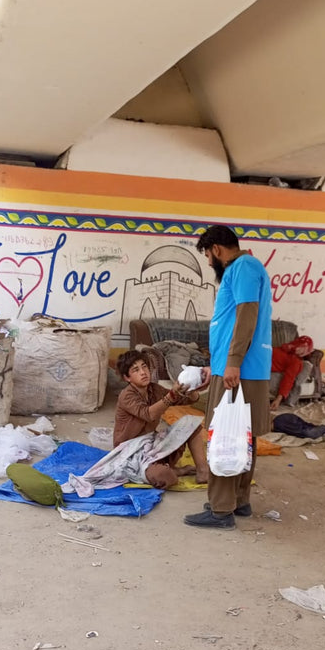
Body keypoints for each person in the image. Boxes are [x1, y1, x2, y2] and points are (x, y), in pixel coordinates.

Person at [184, 225, 272, 530]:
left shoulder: (243, 267)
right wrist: (219, 363)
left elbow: (247, 315)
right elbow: (234, 320)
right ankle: (239, 500)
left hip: (240, 369)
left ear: (217, 249)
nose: (210, 262)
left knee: (224, 434)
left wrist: (232, 363)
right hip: (240, 366)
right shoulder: (246, 268)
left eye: (208, 256)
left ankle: (221, 510)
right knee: (242, 432)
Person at [113, 350, 209, 488]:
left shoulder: (154, 389)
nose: (143, 372)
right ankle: (176, 471)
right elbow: (148, 414)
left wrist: (192, 387)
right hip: (131, 453)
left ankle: (203, 471)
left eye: (144, 366)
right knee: (164, 476)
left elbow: (185, 400)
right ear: (127, 378)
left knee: (191, 424)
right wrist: (172, 395)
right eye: (136, 370)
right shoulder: (126, 396)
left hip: (152, 446)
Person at [270, 335, 314, 411]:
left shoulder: (295, 360)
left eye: (304, 348)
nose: (299, 348)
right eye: (301, 346)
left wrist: (278, 399)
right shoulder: (288, 352)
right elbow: (288, 379)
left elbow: (288, 379)